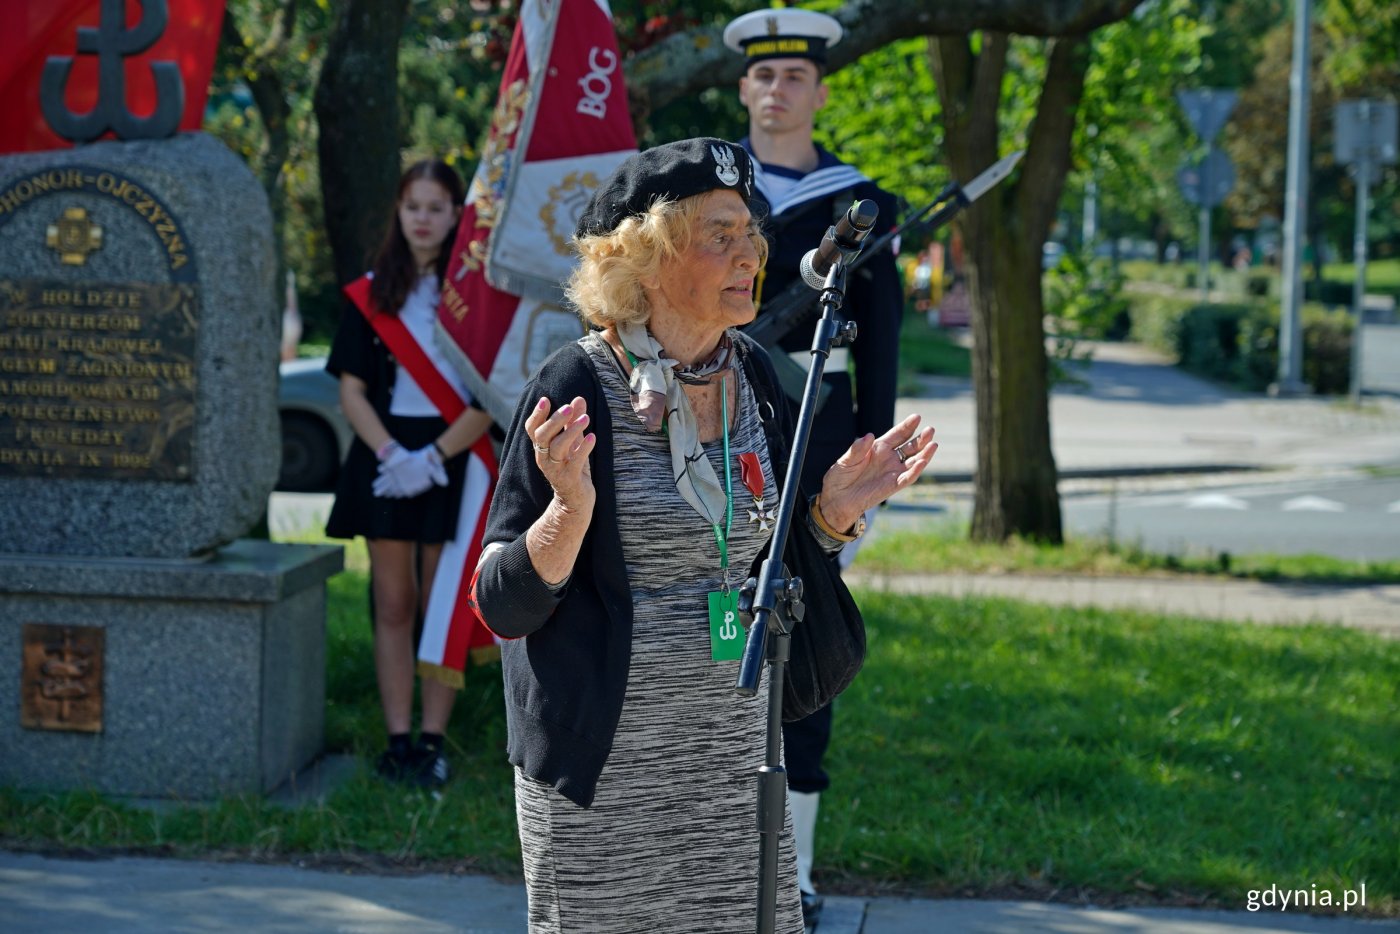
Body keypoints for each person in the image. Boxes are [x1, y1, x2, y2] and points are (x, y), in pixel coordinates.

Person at [470, 138, 936, 933]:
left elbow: (771, 563)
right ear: (645, 258)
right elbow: (499, 602)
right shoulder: (577, 383)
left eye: (750, 234)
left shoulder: (754, 374)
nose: (749, 253)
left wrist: (824, 517)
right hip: (606, 771)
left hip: (734, 763)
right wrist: (569, 512)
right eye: (718, 236)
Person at [724, 8, 907, 922]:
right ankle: (712, 854)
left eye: (794, 76)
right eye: (763, 76)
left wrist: (868, 468)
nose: (777, 90)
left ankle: (791, 873)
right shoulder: (707, 195)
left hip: (814, 443)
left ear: (820, 91)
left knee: (803, 647)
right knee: (716, 642)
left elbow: (881, 345)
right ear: (743, 89)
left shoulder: (859, 204)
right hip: (712, 439)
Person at [325, 159, 495, 789]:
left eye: (435, 207)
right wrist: (395, 457)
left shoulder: (475, 297)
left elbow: (489, 395)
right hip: (386, 457)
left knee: (439, 600)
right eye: (412, 207)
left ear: (456, 216)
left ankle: (433, 742)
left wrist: (433, 458)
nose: (422, 218)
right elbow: (352, 390)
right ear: (398, 214)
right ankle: (397, 740)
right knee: (392, 602)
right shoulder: (373, 292)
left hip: (454, 455)